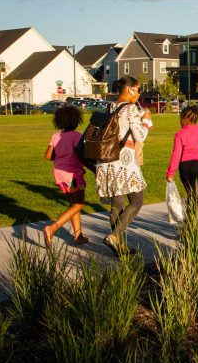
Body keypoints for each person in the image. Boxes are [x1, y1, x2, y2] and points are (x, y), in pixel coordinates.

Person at [95, 76, 151, 256]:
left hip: (106, 159)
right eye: (138, 89)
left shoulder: (110, 106)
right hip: (123, 160)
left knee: (117, 202)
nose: (139, 94)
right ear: (129, 90)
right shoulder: (130, 108)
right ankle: (115, 236)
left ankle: (119, 247)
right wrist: (146, 121)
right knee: (137, 200)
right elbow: (140, 136)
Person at [41, 105, 90, 248]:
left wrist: (61, 155)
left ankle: (78, 236)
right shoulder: (76, 136)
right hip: (73, 175)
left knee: (73, 204)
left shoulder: (55, 136)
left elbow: (48, 155)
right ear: (76, 120)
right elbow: (82, 155)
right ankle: (52, 228)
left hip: (59, 174)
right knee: (79, 204)